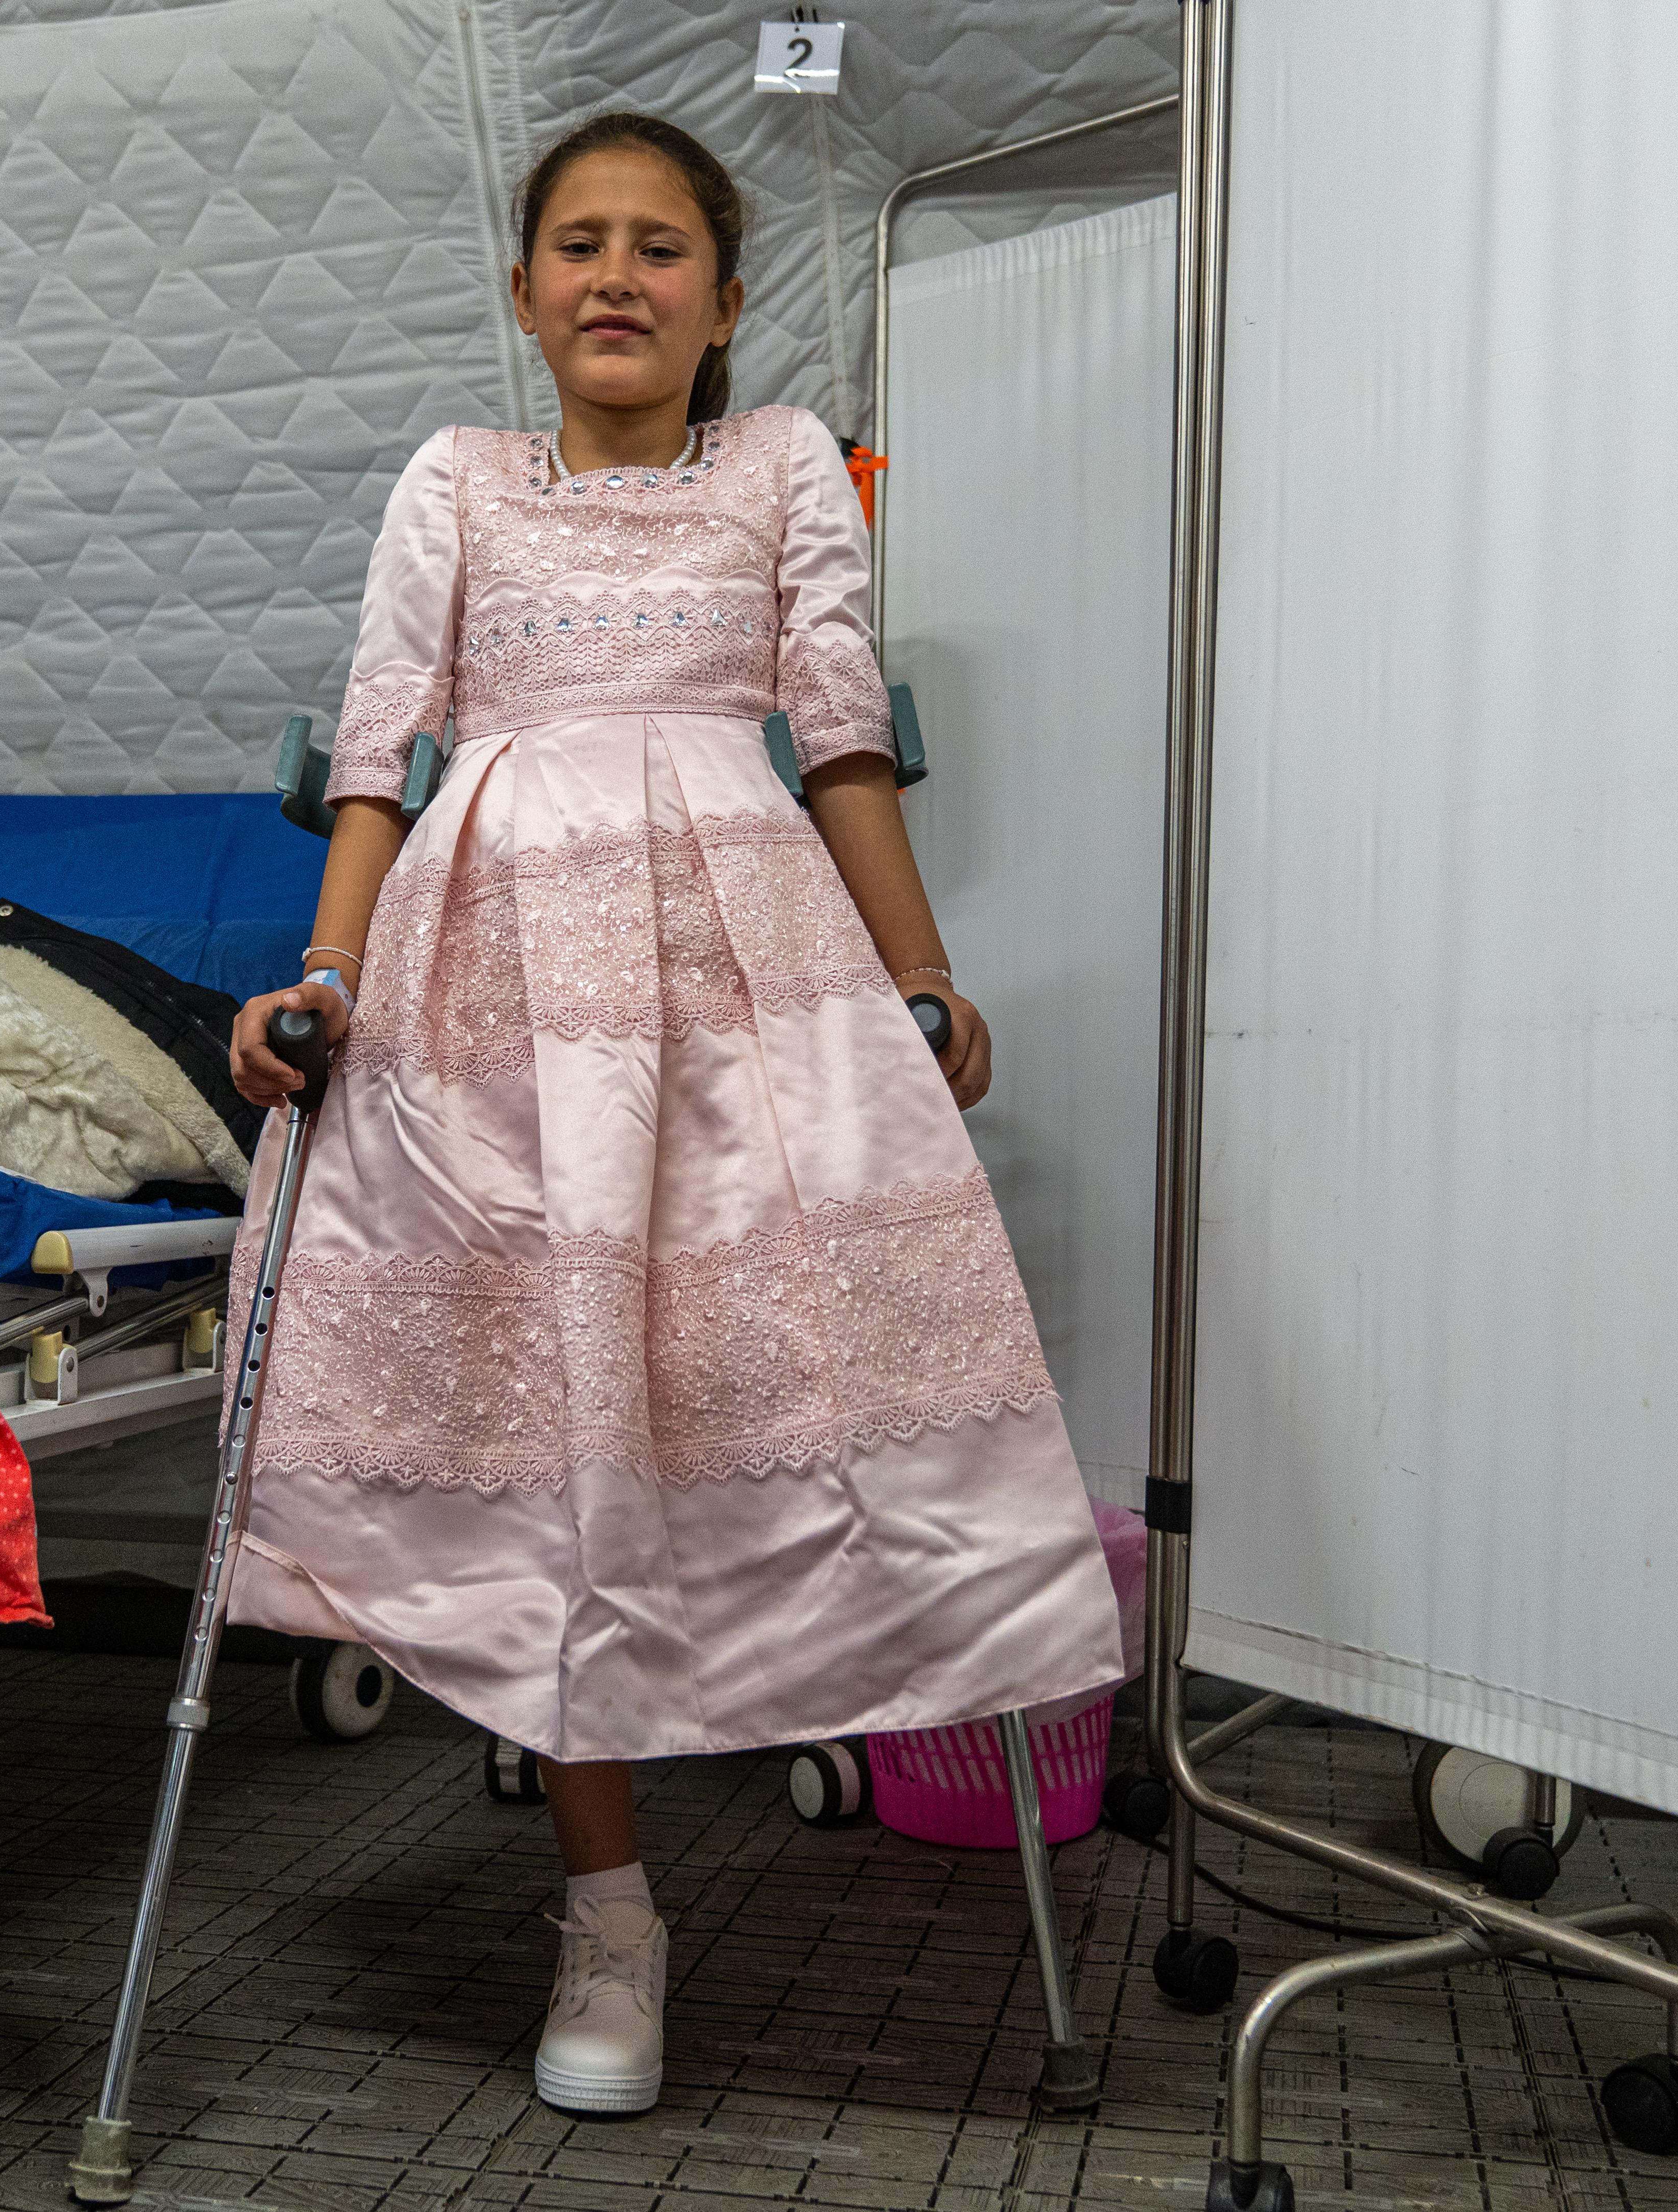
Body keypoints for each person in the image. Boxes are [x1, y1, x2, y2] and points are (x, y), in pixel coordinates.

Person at [219, 110, 1124, 2118]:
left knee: (783, 1388)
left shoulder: (782, 461)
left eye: (656, 247)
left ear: (721, 297)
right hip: (492, 977)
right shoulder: (453, 480)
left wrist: (923, 971)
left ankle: (865, 1721)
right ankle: (606, 1904)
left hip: (739, 963)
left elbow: (842, 729)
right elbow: (376, 749)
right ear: (525, 286)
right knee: (559, 1430)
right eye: (574, 244)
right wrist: (328, 979)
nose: (612, 274)